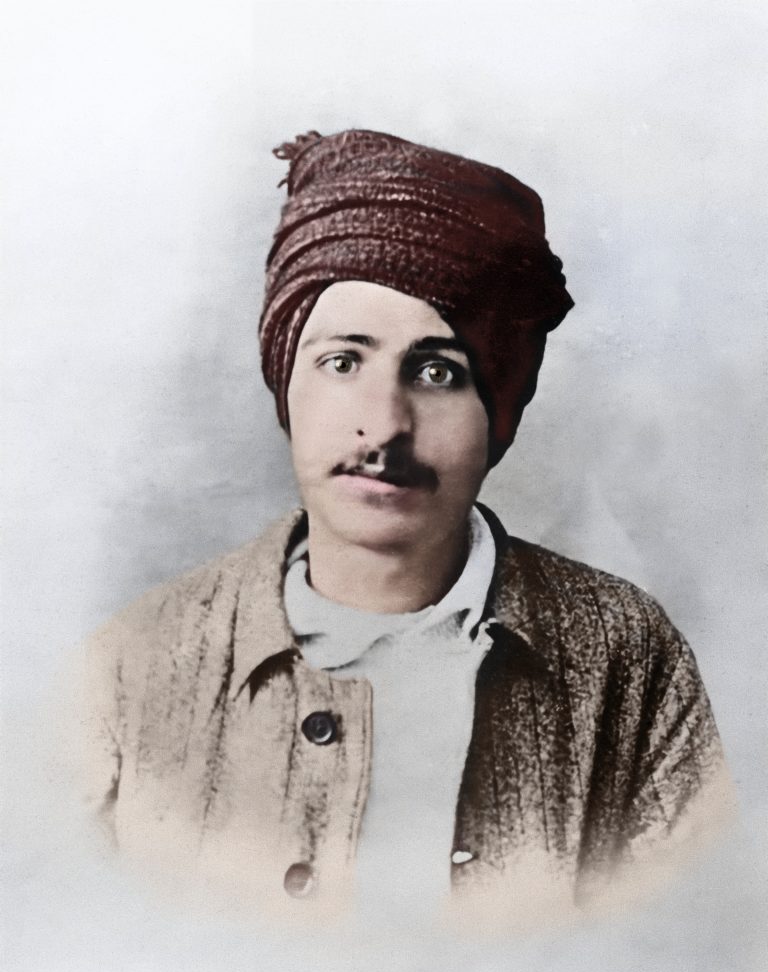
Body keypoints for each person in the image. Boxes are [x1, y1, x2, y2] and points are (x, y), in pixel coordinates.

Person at [75, 129, 732, 928]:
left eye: (438, 372)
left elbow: (684, 947)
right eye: (343, 362)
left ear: (499, 410)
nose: (384, 426)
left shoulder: (624, 652)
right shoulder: (134, 662)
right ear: (287, 382)